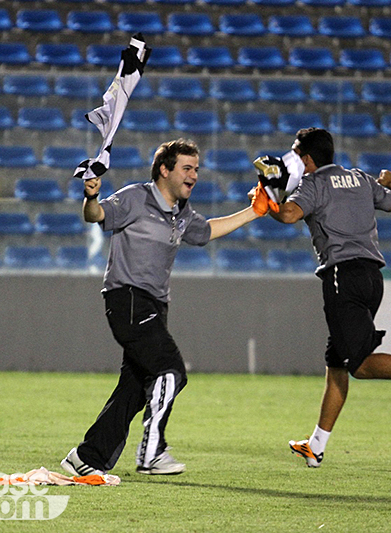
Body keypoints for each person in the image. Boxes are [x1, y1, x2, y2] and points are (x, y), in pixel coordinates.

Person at [61, 138, 269, 476]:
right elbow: (96, 215)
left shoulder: (181, 211)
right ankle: (152, 453)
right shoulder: (135, 197)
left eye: (196, 169)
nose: (194, 175)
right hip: (128, 298)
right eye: (187, 168)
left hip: (155, 305)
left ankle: (87, 457)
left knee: (133, 388)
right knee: (171, 371)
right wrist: (91, 195)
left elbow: (205, 231)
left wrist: (254, 212)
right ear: (164, 170)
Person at [263, 127, 391, 469]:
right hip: (372, 277)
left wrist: (267, 197)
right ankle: (316, 445)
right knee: (337, 363)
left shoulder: (313, 183)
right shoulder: (360, 178)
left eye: (296, 153)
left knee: (358, 364)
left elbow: (288, 215)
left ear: (307, 159)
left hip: (341, 276)